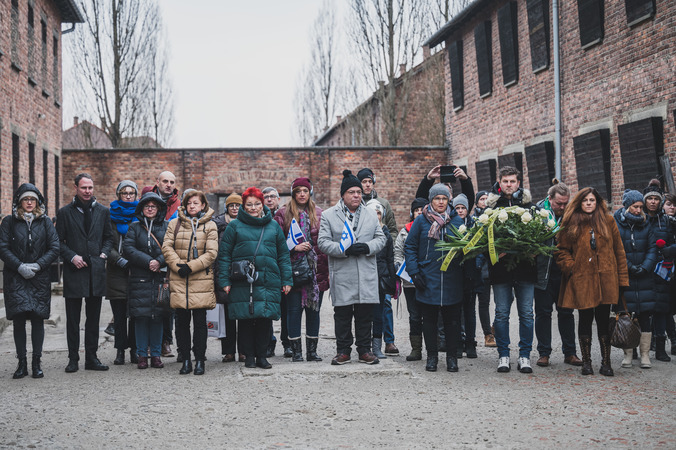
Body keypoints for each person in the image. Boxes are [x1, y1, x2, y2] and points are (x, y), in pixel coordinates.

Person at [218, 187, 293, 369]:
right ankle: (249, 356)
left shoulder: (273, 225)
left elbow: (283, 255)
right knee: (244, 319)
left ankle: (262, 355)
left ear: (262, 205)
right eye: (249, 204)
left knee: (264, 319)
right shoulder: (234, 226)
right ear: (244, 206)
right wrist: (224, 281)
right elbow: (224, 255)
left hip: (268, 278)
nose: (253, 208)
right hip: (242, 280)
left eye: (256, 204)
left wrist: (287, 279)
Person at [556, 187, 629, 376]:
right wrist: (571, 267)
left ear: (598, 203)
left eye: (592, 200)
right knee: (585, 319)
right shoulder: (571, 222)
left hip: (606, 278)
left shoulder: (608, 220)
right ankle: (586, 362)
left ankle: (606, 362)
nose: (589, 203)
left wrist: (621, 279)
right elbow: (561, 250)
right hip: (582, 279)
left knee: (604, 321)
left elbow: (619, 251)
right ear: (580, 202)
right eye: (585, 200)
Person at [318, 170, 386, 365]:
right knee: (343, 316)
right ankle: (343, 351)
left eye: (358, 192)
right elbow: (322, 242)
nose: (357, 195)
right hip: (343, 273)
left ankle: (364, 350)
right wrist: (343, 250)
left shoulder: (371, 214)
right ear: (343, 195)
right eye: (352, 192)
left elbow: (381, 239)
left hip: (365, 273)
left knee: (365, 315)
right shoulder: (329, 215)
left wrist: (367, 247)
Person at [0, 184, 60, 378]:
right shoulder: (9, 222)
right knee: (18, 321)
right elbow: (3, 247)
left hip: (38, 278)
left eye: (32, 200)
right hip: (15, 277)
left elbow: (54, 247)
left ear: (37, 202)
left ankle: (36, 362)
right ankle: (21, 363)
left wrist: (38, 265)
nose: (29, 203)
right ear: (19, 201)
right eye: (25, 199)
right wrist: (19, 266)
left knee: (37, 319)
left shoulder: (45, 223)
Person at [56, 173, 114, 373]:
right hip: (74, 270)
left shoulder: (102, 211)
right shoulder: (64, 213)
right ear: (76, 188)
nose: (88, 191)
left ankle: (92, 358)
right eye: (84, 188)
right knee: (72, 319)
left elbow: (109, 238)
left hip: (95, 272)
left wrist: (104, 254)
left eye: (90, 188)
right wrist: (72, 257)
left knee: (93, 318)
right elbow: (58, 242)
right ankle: (73, 359)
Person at [405, 184, 464, 372]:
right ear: (431, 200)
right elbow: (410, 247)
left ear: (449, 200)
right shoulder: (421, 221)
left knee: (452, 321)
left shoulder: (456, 221)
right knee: (428, 321)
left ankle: (452, 357)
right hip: (427, 278)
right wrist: (414, 272)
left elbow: (467, 247)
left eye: (444, 199)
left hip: (451, 279)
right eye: (437, 198)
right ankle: (432, 356)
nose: (440, 202)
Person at [486, 166, 536, 374]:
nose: (509, 185)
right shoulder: (490, 207)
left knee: (526, 314)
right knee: (501, 313)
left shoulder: (529, 206)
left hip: (525, 268)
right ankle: (503, 355)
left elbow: (537, 234)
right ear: (500, 182)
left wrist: (532, 250)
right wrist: (495, 251)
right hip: (501, 270)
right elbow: (482, 238)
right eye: (505, 181)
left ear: (518, 183)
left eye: (512, 181)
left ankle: (524, 355)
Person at [162, 190, 218, 375]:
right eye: (189, 203)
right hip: (179, 278)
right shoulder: (174, 224)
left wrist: (191, 267)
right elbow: (167, 246)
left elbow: (211, 253)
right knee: (181, 322)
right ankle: (185, 359)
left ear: (203, 205)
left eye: (196, 203)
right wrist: (179, 266)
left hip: (200, 279)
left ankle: (200, 360)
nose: (192, 206)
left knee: (200, 323)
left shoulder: (210, 226)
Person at [274, 178, 328, 362]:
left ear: (310, 192)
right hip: (292, 269)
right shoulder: (282, 214)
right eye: (299, 191)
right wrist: (293, 248)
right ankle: (296, 351)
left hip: (315, 271)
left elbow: (325, 241)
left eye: (305, 190)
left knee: (314, 311)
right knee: (293, 311)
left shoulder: (320, 214)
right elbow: (276, 242)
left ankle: (312, 352)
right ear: (293, 193)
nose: (302, 194)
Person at [533, 182, 582, 368]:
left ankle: (570, 352)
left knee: (566, 313)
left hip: (564, 271)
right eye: (558, 204)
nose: (562, 207)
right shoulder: (537, 212)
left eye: (565, 203)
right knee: (543, 313)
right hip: (543, 270)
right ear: (550, 199)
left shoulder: (572, 214)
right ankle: (544, 353)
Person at [123, 192, 168, 369]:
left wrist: (159, 261)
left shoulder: (166, 227)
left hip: (160, 278)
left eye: (153, 206)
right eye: (147, 206)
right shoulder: (135, 227)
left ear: (159, 209)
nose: (150, 209)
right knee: (140, 317)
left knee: (158, 317)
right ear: (142, 209)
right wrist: (148, 261)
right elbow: (128, 248)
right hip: (139, 278)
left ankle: (156, 354)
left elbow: (170, 247)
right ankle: (142, 354)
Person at [614, 189, 658, 369]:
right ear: (627, 206)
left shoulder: (646, 224)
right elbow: (617, 249)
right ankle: (628, 352)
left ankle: (645, 354)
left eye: (640, 207)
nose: (639, 210)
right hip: (627, 276)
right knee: (627, 315)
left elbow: (653, 248)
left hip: (645, 276)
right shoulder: (617, 224)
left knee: (645, 315)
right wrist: (630, 267)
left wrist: (646, 266)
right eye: (635, 207)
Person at [107, 180, 138, 365]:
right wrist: (118, 259)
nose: (128, 196)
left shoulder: (140, 215)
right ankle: (120, 351)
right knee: (119, 316)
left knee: (134, 314)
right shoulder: (109, 216)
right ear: (118, 195)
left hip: (136, 271)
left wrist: (135, 260)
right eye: (124, 193)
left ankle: (134, 350)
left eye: (131, 193)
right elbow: (105, 242)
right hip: (115, 271)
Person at [642, 179, 674, 362]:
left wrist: (670, 251)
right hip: (644, 269)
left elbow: (671, 241)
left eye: (656, 199)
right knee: (643, 310)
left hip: (662, 270)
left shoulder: (667, 222)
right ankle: (641, 347)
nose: (653, 202)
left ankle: (661, 348)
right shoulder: (641, 219)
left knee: (661, 308)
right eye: (650, 198)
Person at [394, 198, 428, 361]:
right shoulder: (404, 232)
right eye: (417, 210)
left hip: (429, 280)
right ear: (412, 213)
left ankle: (432, 347)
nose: (420, 212)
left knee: (430, 315)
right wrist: (400, 268)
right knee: (414, 316)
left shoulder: (431, 228)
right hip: (410, 282)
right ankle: (416, 349)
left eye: (422, 209)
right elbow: (398, 253)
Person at [151, 170, 180, 358]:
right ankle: (152, 343)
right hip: (150, 258)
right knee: (152, 303)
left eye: (172, 182)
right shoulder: (150, 200)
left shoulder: (179, 204)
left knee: (168, 303)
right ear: (158, 182)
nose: (168, 185)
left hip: (171, 259)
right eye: (165, 181)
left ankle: (166, 342)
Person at [212, 192, 243, 363]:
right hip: (222, 272)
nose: (234, 208)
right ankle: (229, 351)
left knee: (243, 315)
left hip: (241, 274)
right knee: (227, 316)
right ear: (227, 207)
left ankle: (244, 350)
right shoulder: (217, 225)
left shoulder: (246, 223)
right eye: (231, 205)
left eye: (237, 205)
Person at [365, 199, 398, 359]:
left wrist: (392, 281)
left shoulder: (386, 235)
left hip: (380, 278)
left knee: (379, 315)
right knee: (364, 315)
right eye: (372, 212)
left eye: (378, 213)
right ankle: (364, 346)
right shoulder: (363, 234)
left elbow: (390, 259)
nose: (375, 216)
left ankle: (377, 346)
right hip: (366, 278)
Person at [262, 186, 290, 357]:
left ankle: (287, 343)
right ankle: (268, 342)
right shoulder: (259, 217)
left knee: (286, 310)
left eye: (273, 196)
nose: (270, 199)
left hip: (282, 268)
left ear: (279, 199)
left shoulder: (285, 217)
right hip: (266, 270)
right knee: (266, 310)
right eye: (266, 197)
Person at [452, 193, 479, 359]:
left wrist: (477, 265)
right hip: (455, 273)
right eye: (458, 208)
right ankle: (457, 342)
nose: (461, 211)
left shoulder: (474, 225)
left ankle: (471, 342)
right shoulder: (451, 224)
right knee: (456, 310)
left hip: (471, 273)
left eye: (463, 208)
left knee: (470, 310)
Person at [471, 191, 495, 347]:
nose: (485, 201)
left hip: (497, 266)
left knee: (506, 300)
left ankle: (495, 327)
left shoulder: (496, 216)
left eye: (487, 199)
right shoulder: (473, 220)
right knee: (483, 302)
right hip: (482, 269)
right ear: (477, 202)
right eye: (481, 199)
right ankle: (488, 334)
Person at [357, 168, 397, 236]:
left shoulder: (384, 204)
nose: (368, 185)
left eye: (370, 181)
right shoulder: (355, 204)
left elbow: (392, 230)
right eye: (364, 182)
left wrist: (389, 245)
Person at [662, 193, 676, 355]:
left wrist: (671, 250)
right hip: (663, 270)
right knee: (664, 307)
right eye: (668, 204)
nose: (672, 207)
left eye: (673, 204)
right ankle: (672, 339)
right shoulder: (659, 222)